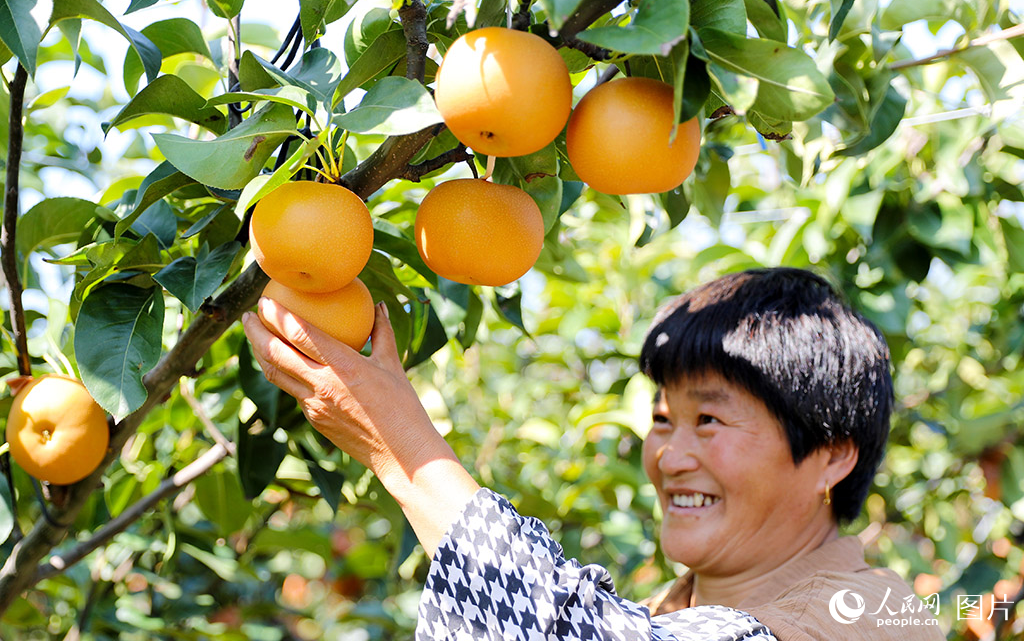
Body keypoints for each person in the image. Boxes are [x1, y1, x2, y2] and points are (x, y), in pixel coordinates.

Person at [242, 267, 943, 640]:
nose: (670, 456)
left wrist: (404, 452)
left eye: (710, 420)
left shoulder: (872, 616)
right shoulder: (666, 612)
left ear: (831, 456)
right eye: (664, 418)